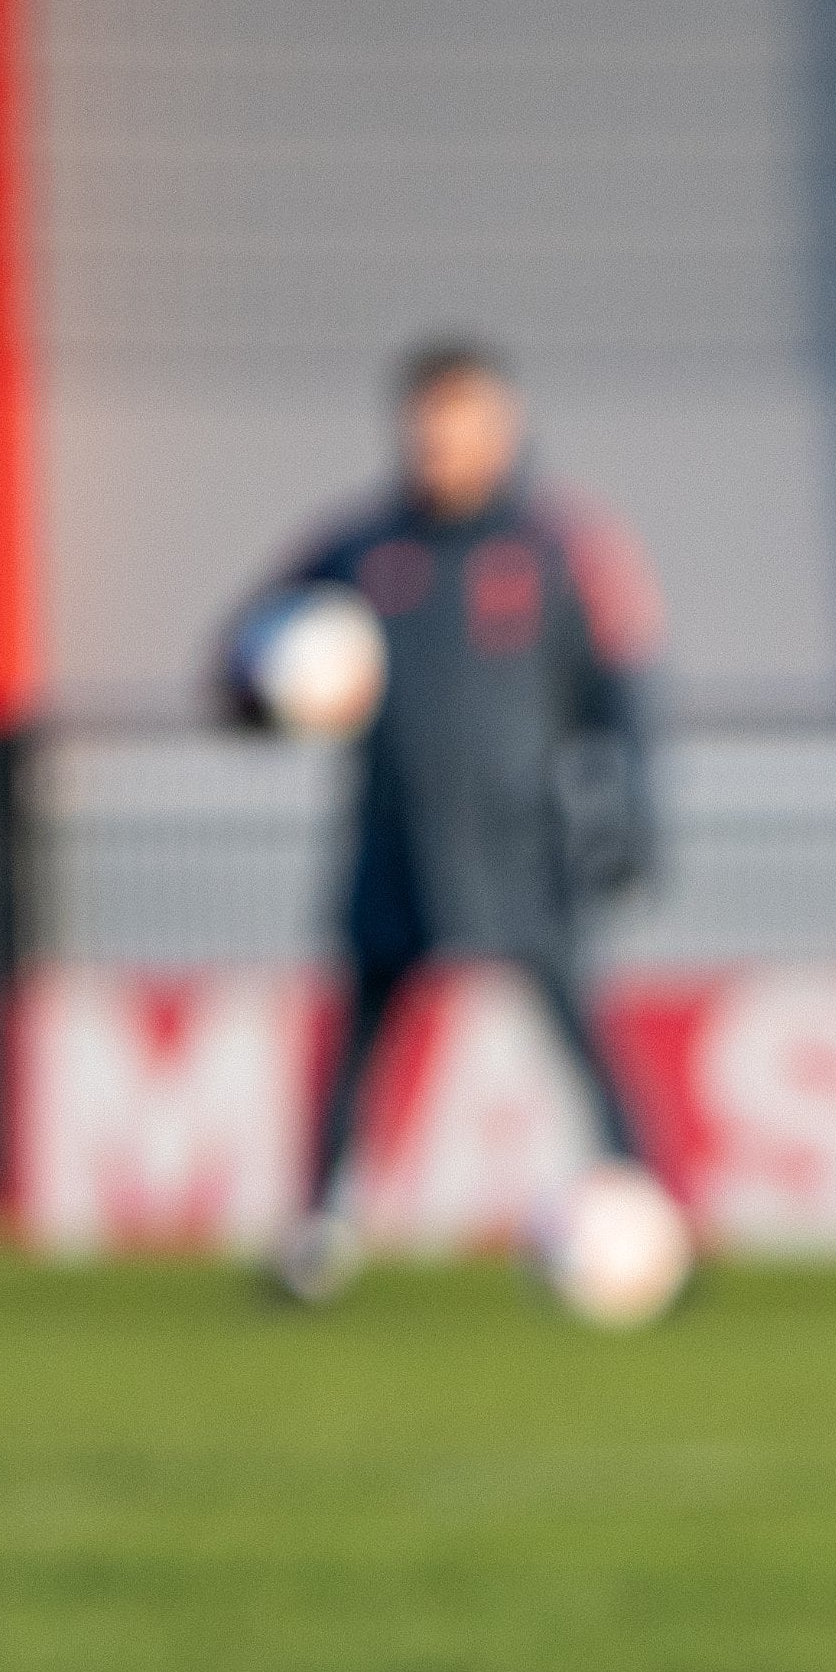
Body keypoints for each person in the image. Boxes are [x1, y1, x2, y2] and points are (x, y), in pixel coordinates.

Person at [225, 339, 664, 1306]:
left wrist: (632, 814)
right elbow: (243, 661)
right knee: (360, 1044)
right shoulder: (359, 550)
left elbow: (623, 692)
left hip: (524, 843)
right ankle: (318, 1235)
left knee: (580, 1037)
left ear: (503, 430)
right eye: (429, 429)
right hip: (394, 840)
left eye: (464, 427)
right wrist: (265, 690)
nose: (444, 448)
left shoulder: (559, 549)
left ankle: (647, 1219)